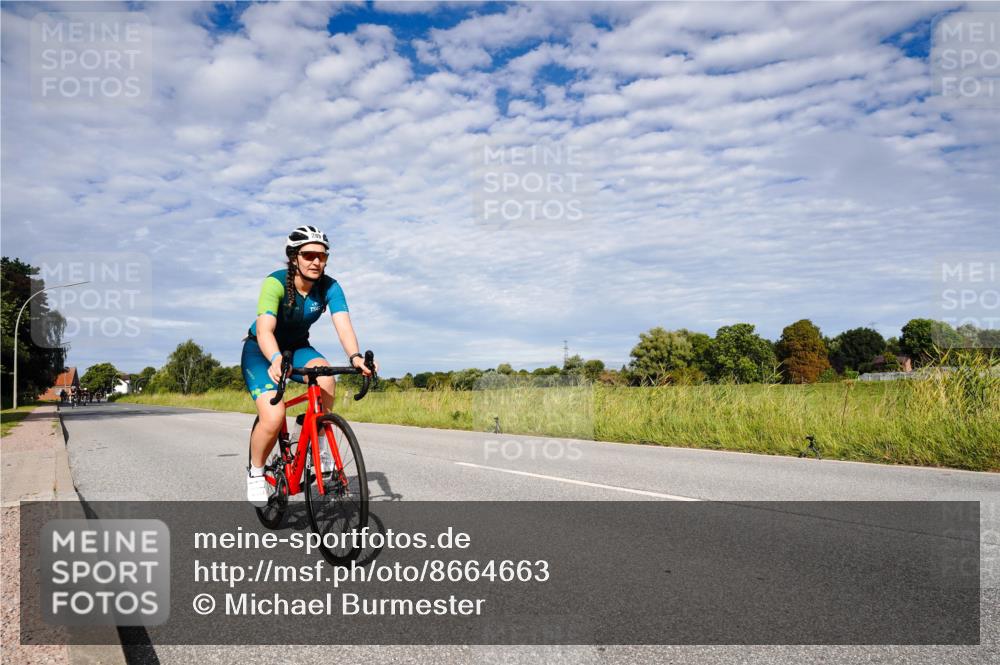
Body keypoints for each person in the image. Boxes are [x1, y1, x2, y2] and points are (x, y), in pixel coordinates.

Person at [241, 225, 376, 506]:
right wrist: (276, 359)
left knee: (327, 378)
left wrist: (355, 357)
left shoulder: (330, 286)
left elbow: (343, 325)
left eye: (322, 256)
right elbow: (266, 331)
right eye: (309, 255)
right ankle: (255, 472)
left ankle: (317, 443)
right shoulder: (275, 283)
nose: (316, 261)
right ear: (294, 258)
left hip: (298, 348)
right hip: (261, 350)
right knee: (274, 415)